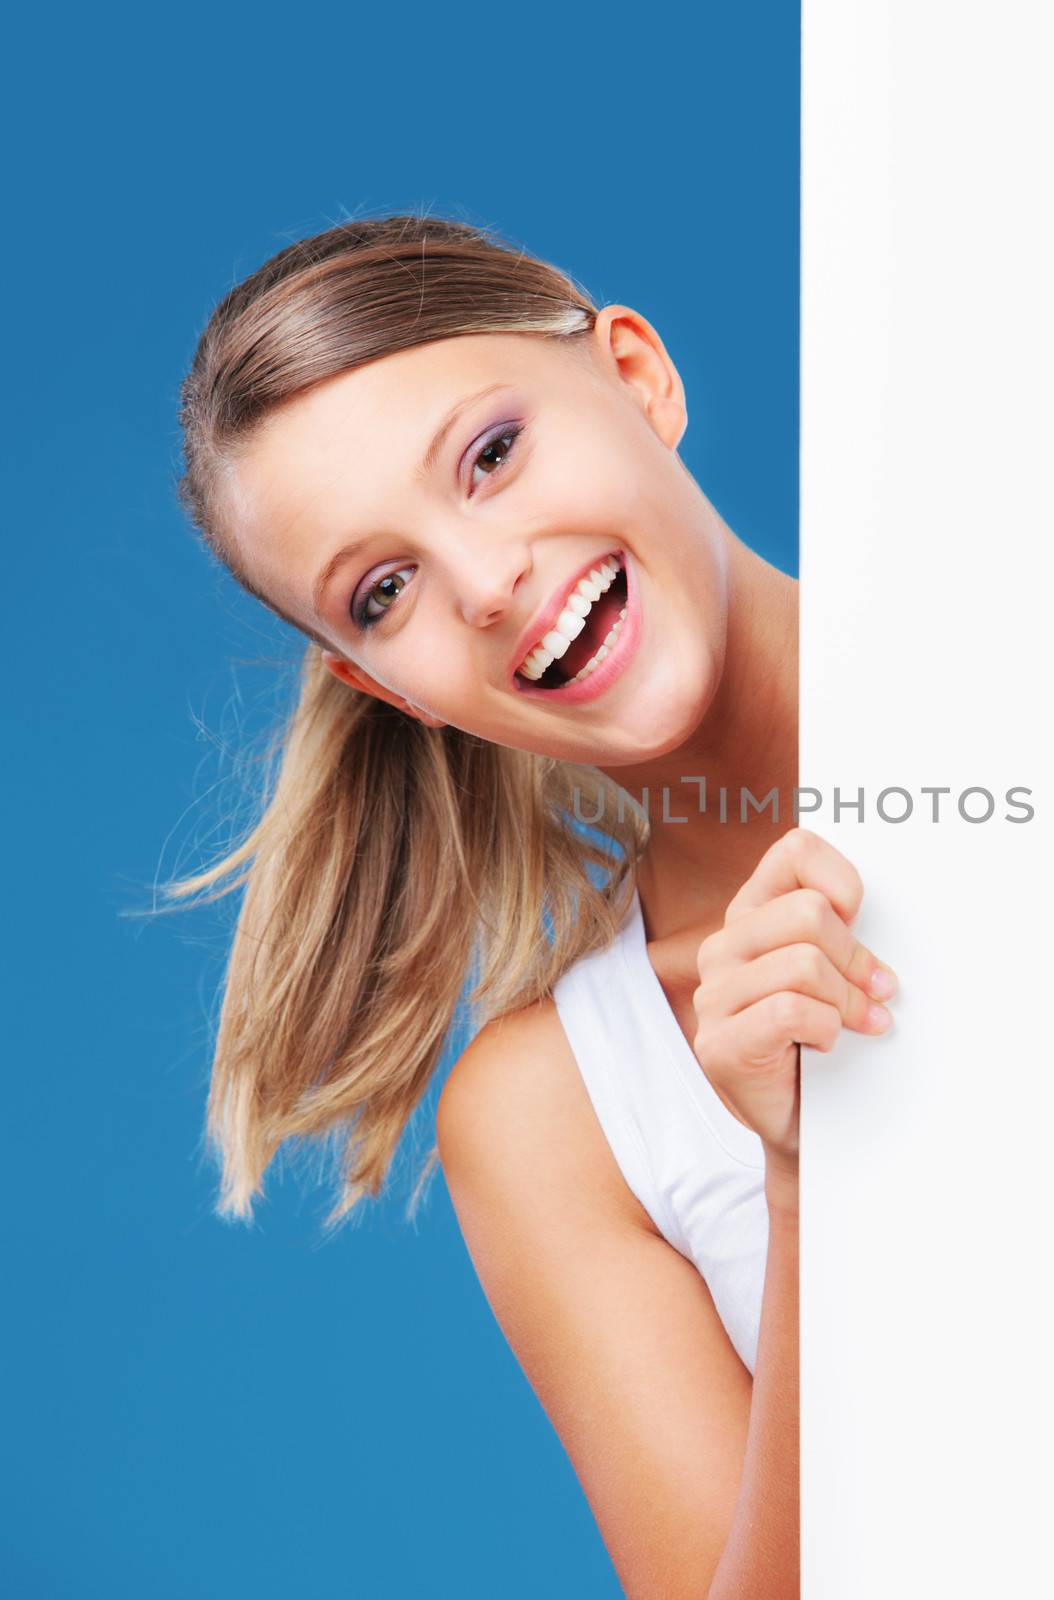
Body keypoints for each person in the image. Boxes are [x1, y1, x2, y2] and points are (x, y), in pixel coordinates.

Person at [167, 213, 897, 1599]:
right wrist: (810, 1184)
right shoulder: (560, 1110)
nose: (492, 581)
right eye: (385, 592)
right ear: (386, 688)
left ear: (637, 376)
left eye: (491, 457)